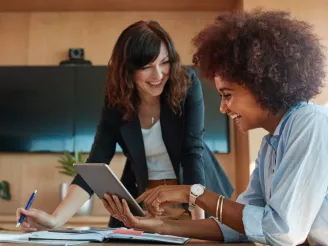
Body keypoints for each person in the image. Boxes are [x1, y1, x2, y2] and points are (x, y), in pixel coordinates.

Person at [101, 10, 328, 245]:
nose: (222, 108)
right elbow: (240, 227)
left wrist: (194, 194)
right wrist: (154, 225)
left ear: (262, 86)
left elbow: (282, 231)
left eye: (227, 95)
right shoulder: (271, 144)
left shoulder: (311, 123)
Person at [16, 20, 233, 230]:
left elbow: (192, 152)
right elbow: (96, 162)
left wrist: (198, 225)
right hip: (146, 203)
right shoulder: (117, 101)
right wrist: (55, 220)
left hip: (194, 197)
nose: (158, 75)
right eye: (147, 66)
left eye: (164, 62)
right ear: (128, 70)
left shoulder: (186, 84)